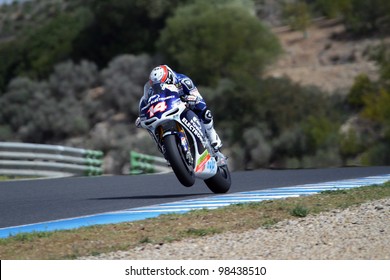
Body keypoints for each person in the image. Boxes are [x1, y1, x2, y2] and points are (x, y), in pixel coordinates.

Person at [136, 64, 222, 152]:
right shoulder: (152, 90)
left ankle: (213, 138)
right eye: (156, 85)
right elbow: (150, 102)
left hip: (186, 104)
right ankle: (165, 150)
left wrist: (193, 98)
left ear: (170, 77)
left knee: (205, 113)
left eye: (162, 83)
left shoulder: (184, 80)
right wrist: (143, 115)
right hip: (167, 110)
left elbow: (197, 95)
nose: (160, 87)